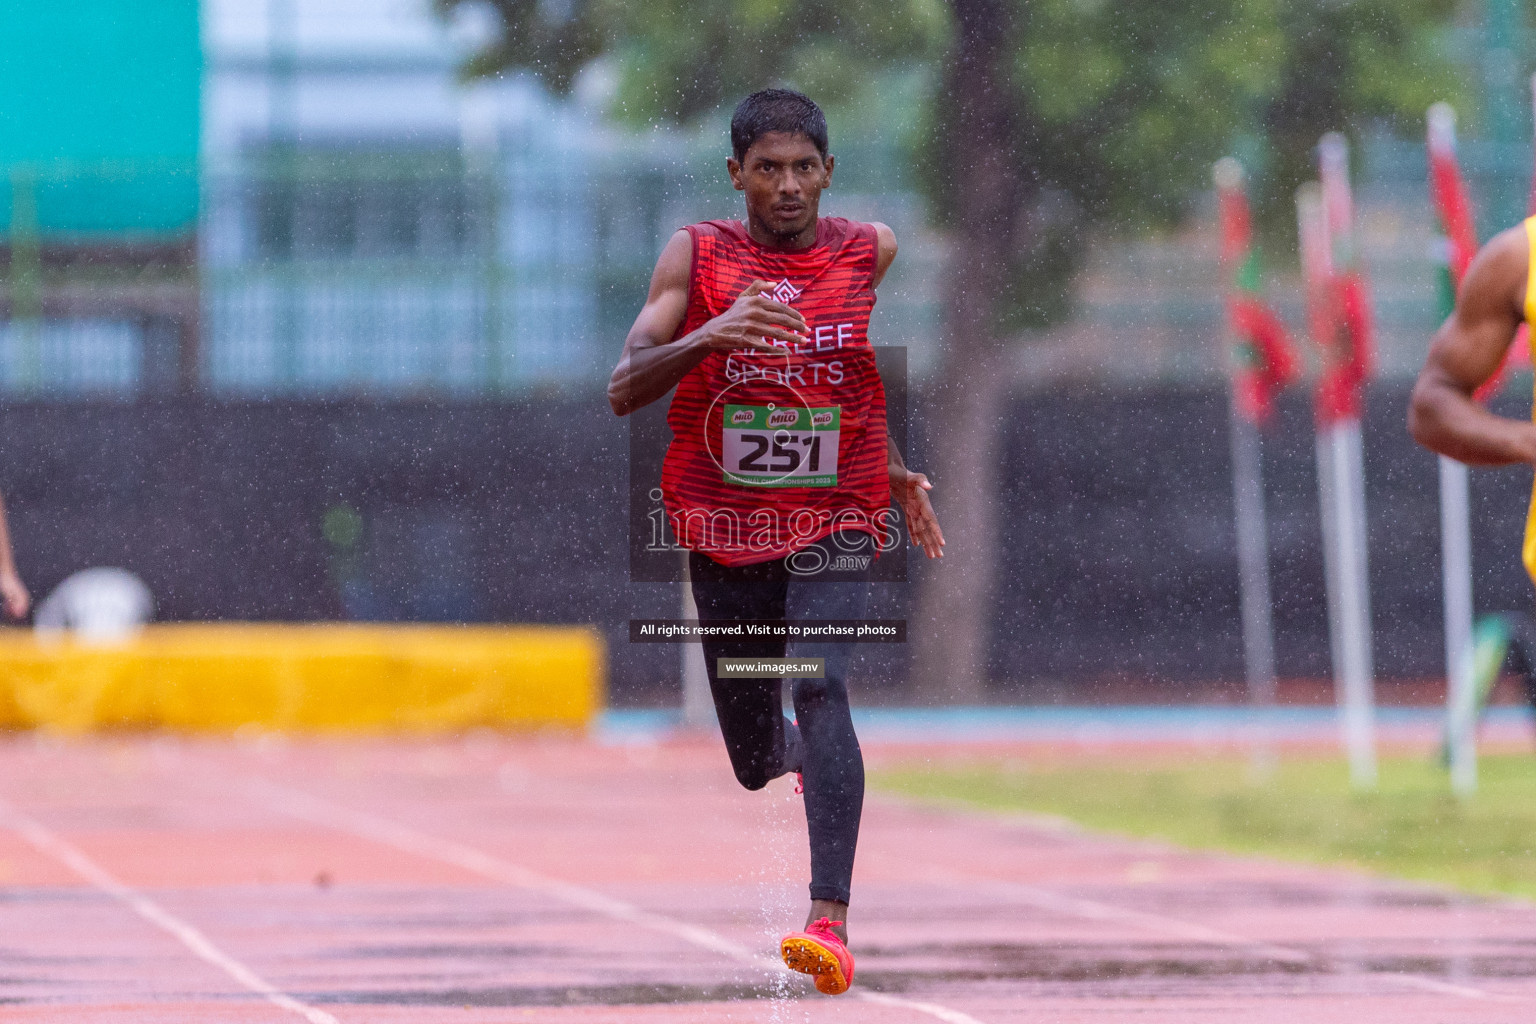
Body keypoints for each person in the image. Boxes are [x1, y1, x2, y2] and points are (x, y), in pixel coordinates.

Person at [607, 88, 943, 995]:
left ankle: (828, 922)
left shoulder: (867, 250)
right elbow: (623, 386)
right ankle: (800, 764)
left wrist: (896, 471)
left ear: (828, 172)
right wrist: (714, 331)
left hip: (836, 517)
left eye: (804, 168)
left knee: (819, 679)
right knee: (757, 759)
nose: (787, 185)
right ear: (736, 175)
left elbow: (849, 382)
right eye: (768, 169)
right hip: (727, 528)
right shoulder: (699, 255)